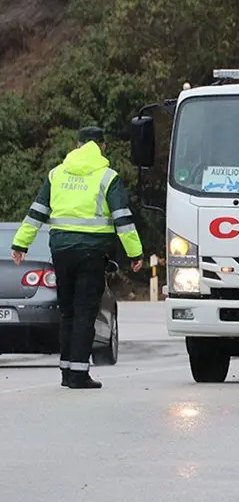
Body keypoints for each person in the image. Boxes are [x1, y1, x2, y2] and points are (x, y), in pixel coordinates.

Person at [9, 126, 144, 389]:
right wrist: (134, 253)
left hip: (61, 251)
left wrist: (20, 244)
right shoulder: (108, 177)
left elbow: (36, 211)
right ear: (102, 147)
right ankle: (79, 373)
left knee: (67, 311)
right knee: (85, 312)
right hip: (91, 253)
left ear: (77, 145)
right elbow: (123, 220)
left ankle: (66, 370)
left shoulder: (56, 173)